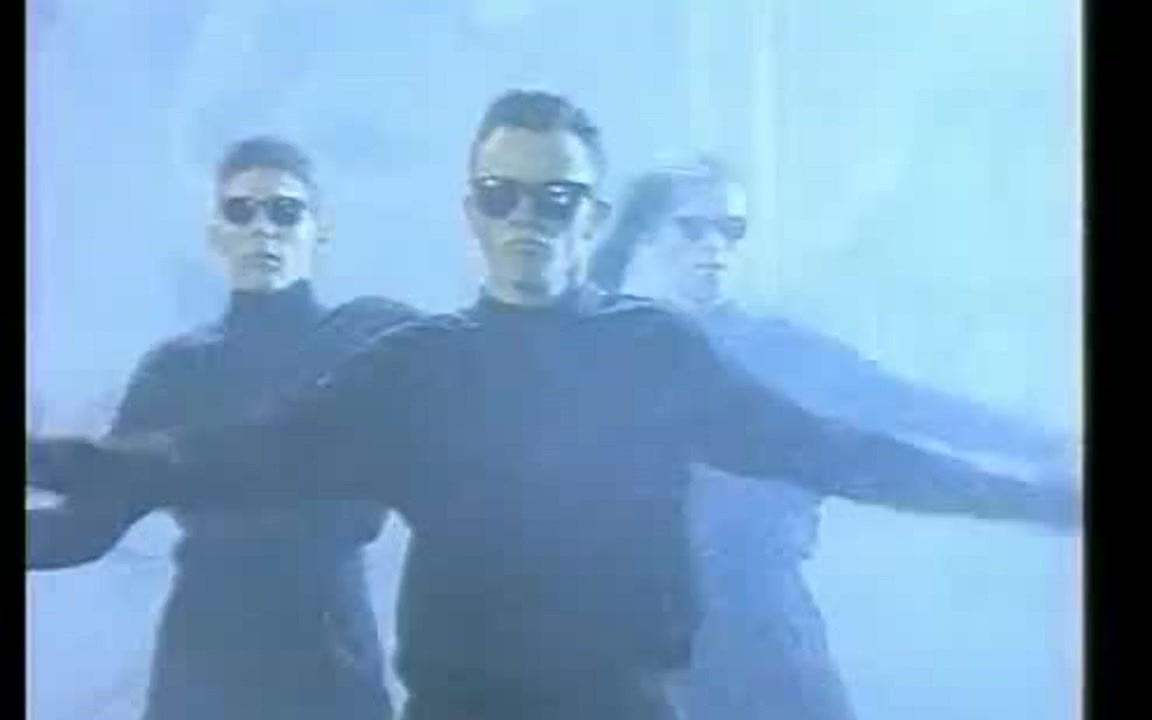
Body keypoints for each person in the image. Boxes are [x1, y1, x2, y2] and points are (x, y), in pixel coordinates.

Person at [29, 91, 1080, 720]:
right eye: (503, 195)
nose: (526, 217)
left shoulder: (652, 352)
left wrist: (1041, 498)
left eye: (556, 197)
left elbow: (842, 449)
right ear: (472, 211)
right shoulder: (416, 368)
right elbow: (218, 457)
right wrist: (51, 457)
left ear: (591, 214)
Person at [589, 157, 1074, 720]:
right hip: (631, 632)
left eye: (730, 228)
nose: (714, 245)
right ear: (642, 232)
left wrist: (1043, 450)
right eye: (692, 227)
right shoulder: (588, 348)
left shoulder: (780, 351)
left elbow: (905, 408)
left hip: (758, 619)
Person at [26, 136, 418, 720]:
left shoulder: (368, 341)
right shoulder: (176, 370)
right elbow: (90, 522)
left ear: (321, 229)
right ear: (217, 233)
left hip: (330, 665)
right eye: (241, 211)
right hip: (204, 669)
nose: (263, 228)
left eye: (285, 211)